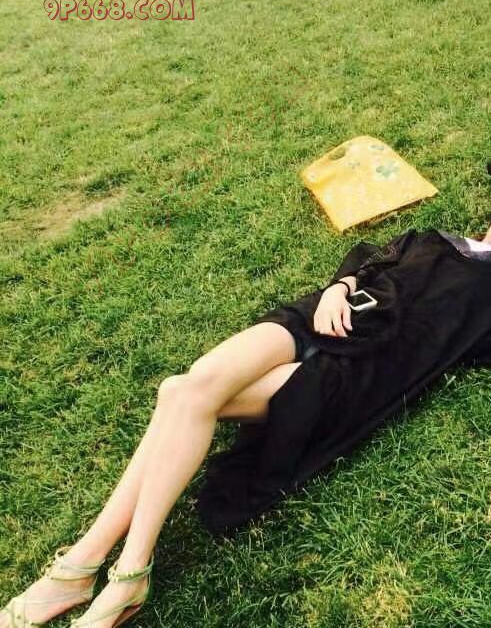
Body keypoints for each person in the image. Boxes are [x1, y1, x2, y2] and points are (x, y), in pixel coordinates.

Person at [2, 225, 491, 628]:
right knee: (183, 388)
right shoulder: (433, 237)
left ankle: (105, 567)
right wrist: (337, 289)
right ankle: (100, 571)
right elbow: (368, 260)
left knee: (182, 397)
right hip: (314, 317)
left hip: (358, 370)